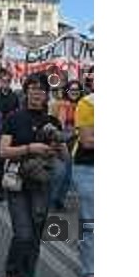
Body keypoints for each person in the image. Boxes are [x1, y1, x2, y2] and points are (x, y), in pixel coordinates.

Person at [0, 74, 67, 277]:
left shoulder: (52, 121)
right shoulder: (14, 118)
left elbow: (65, 158)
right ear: (26, 91)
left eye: (42, 89)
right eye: (33, 88)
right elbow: (3, 151)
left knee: (36, 236)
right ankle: (11, 275)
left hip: (42, 184)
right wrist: (30, 148)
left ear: (47, 94)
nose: (37, 93)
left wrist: (58, 145)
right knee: (23, 233)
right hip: (17, 182)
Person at [73, 67, 94, 277]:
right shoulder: (87, 103)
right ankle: (90, 272)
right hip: (88, 168)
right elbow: (88, 141)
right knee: (91, 221)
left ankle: (84, 244)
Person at [49, 79, 83, 210]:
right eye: (72, 90)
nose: (74, 92)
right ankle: (51, 200)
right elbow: (52, 123)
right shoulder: (58, 105)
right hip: (60, 142)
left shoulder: (83, 105)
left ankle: (59, 200)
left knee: (68, 177)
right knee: (59, 174)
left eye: (77, 90)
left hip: (76, 145)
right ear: (67, 91)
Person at [0, 69, 20, 200]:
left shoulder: (15, 97)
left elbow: (17, 115)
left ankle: (1, 186)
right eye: (3, 80)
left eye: (8, 80)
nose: (5, 83)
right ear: (0, 81)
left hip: (9, 134)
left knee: (6, 161)